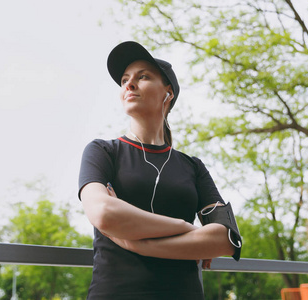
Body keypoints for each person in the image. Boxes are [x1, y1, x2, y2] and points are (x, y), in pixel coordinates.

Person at [78, 41, 242, 299]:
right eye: (124, 80)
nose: (129, 85)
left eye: (142, 77)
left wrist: (138, 245)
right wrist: (187, 228)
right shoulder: (102, 151)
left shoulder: (193, 167)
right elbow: (105, 213)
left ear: (168, 93)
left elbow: (226, 239)